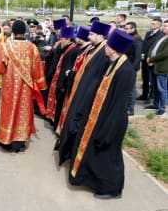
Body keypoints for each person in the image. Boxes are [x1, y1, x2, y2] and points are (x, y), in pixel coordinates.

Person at [69, 28, 135, 199]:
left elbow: (119, 104)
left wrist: (108, 129)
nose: (105, 47)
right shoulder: (113, 62)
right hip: (101, 116)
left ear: (112, 48)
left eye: (108, 45)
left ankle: (112, 189)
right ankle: (97, 182)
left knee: (108, 156)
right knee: (97, 154)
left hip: (111, 121)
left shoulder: (125, 71)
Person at [56, 21, 111, 165]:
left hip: (86, 96)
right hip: (80, 92)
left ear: (100, 36)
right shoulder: (95, 49)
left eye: (91, 34)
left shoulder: (102, 52)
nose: (89, 35)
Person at [0, 20, 46, 153]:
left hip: (9, 86)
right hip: (26, 88)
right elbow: (37, 69)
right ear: (25, 31)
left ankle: (6, 141)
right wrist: (40, 84)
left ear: (13, 31)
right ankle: (19, 143)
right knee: (23, 112)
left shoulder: (4, 46)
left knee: (9, 110)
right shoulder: (32, 47)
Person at [45, 26, 78, 131]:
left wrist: (61, 84)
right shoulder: (66, 48)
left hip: (63, 82)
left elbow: (66, 67)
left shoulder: (73, 50)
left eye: (62, 38)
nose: (60, 40)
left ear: (68, 39)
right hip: (57, 78)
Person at [137, 18, 163, 101]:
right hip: (144, 58)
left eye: (154, 24)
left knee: (151, 79)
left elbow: (156, 48)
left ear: (159, 25)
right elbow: (144, 44)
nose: (151, 25)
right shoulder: (148, 33)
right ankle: (144, 94)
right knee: (145, 77)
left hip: (151, 59)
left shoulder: (160, 35)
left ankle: (151, 96)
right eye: (151, 23)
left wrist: (149, 56)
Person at [146, 19, 168, 116]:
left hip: (162, 67)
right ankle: (155, 104)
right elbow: (153, 47)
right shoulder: (163, 37)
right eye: (164, 26)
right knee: (155, 87)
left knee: (162, 89)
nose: (164, 28)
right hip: (154, 65)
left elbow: (164, 54)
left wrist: (152, 60)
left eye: (166, 26)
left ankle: (162, 108)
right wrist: (149, 57)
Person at [124, 21, 143, 115]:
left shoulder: (137, 40)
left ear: (133, 29)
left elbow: (137, 57)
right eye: (125, 28)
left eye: (127, 28)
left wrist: (132, 69)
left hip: (132, 67)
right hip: (127, 66)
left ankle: (130, 109)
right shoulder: (130, 37)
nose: (125, 30)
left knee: (131, 89)